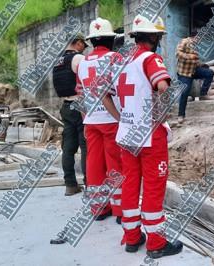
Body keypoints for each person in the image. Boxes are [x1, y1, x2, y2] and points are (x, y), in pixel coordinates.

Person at [103, 14, 183, 258]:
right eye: (158, 36)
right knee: (153, 186)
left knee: (130, 184)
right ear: (151, 37)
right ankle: (156, 243)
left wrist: (122, 118)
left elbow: (105, 96)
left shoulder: (121, 62)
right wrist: (158, 116)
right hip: (149, 136)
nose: (159, 40)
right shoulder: (150, 58)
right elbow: (163, 88)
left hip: (126, 135)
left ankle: (131, 237)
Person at [77, 17, 122, 224]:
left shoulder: (82, 62)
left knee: (93, 162)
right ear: (109, 39)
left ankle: (98, 206)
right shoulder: (115, 58)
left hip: (91, 120)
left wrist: (85, 117)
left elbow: (79, 92)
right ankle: (120, 207)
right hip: (111, 119)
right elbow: (122, 88)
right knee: (115, 162)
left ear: (93, 41)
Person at [52, 33, 88, 196]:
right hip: (80, 105)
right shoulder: (78, 59)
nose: (84, 49)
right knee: (86, 146)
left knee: (68, 148)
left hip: (66, 106)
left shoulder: (58, 61)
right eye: (84, 46)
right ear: (78, 43)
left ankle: (70, 185)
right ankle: (90, 183)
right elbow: (86, 82)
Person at [176, 33, 214, 123]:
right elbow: (178, 54)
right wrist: (190, 57)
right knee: (185, 91)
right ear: (195, 37)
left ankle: (203, 94)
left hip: (193, 70)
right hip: (184, 73)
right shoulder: (185, 41)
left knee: (209, 73)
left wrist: (201, 65)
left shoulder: (195, 46)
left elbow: (195, 61)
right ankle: (181, 115)